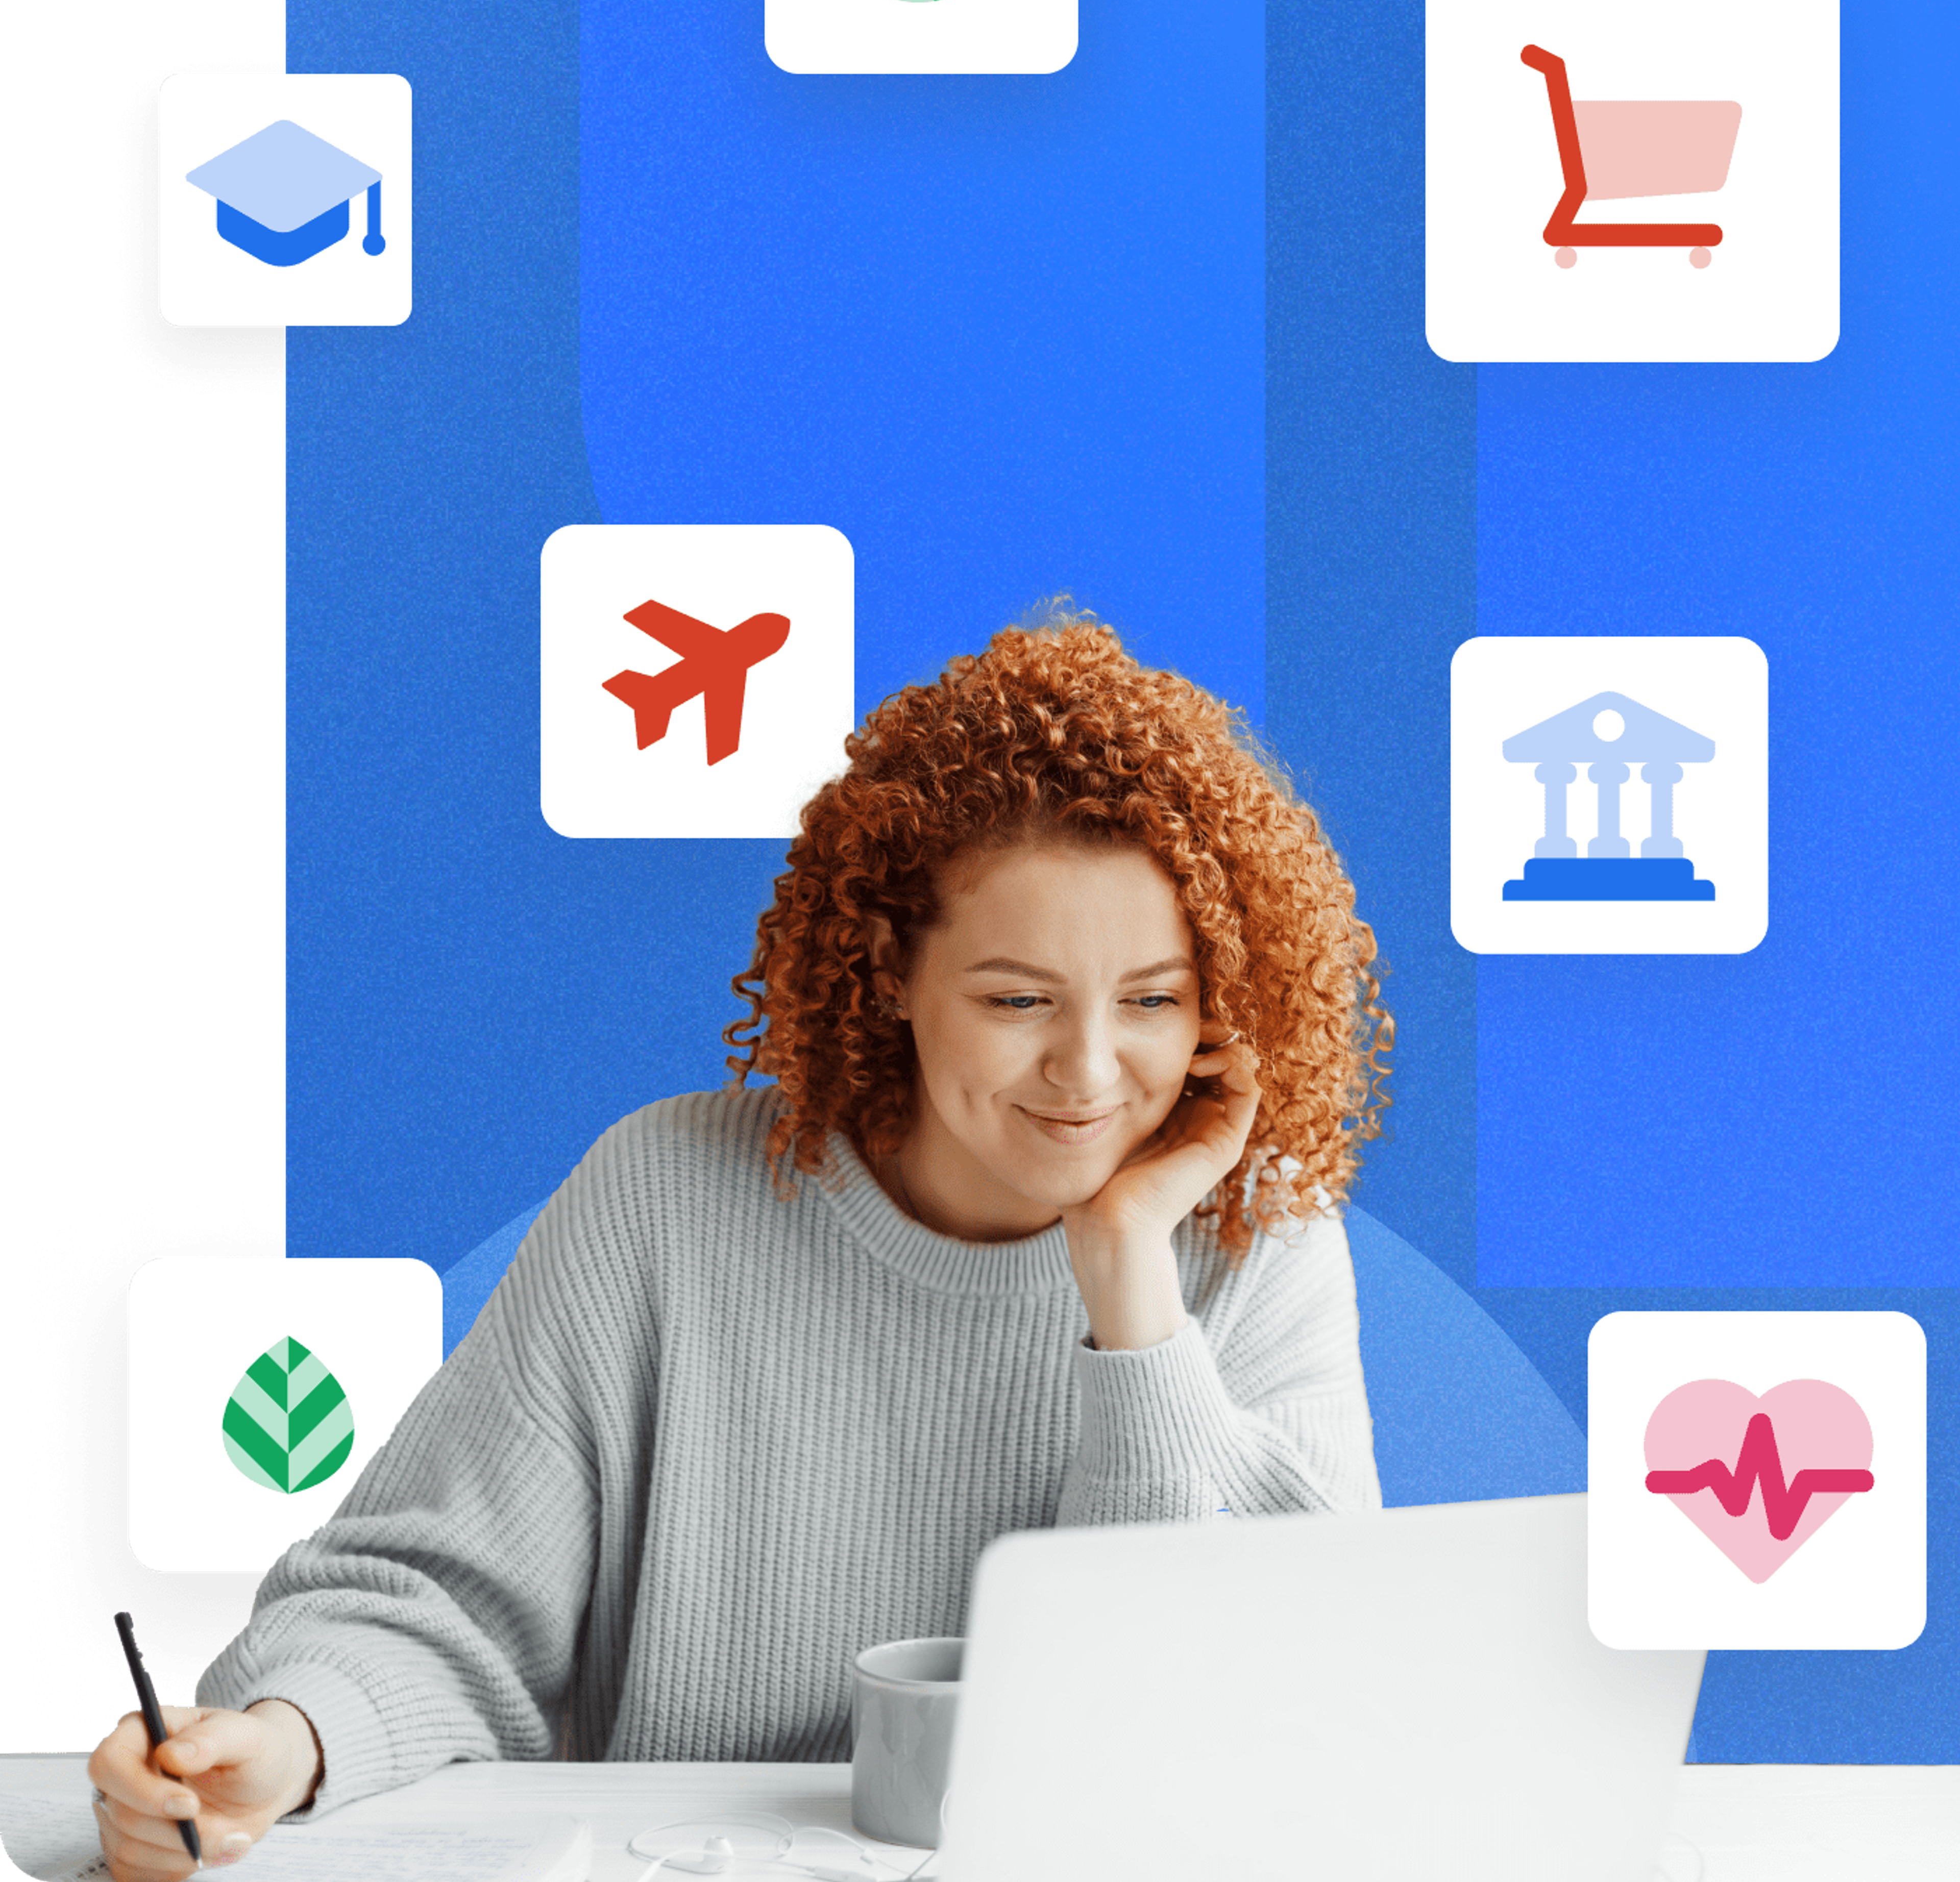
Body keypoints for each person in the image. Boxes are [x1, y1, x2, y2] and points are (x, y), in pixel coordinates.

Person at [89, 612, 1393, 1881]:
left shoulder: (1249, 1237)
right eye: (1017, 999)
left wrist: (1129, 1290)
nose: (1092, 1071)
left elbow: (1285, 1680)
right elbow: (434, 1596)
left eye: (1154, 1000)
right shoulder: (666, 1198)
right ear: (890, 967)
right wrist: (285, 1739)